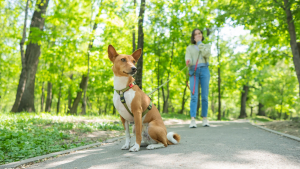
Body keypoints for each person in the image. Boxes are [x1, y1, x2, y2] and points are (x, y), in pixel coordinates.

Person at [185, 28, 211, 128]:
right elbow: (188, 58)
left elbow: (206, 54)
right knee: (194, 96)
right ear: (193, 37)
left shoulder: (206, 46)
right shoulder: (189, 48)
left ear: (201, 35)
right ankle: (192, 120)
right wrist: (188, 61)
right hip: (193, 71)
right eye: (195, 34)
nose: (198, 35)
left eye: (199, 33)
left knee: (204, 96)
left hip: (204, 69)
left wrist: (200, 43)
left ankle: (205, 118)